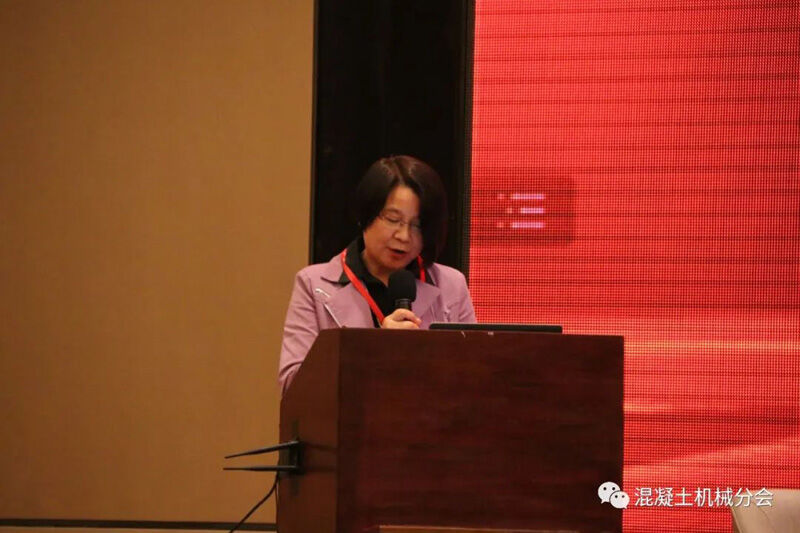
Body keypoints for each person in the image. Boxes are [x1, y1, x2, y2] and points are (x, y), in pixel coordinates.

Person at [277, 155, 476, 395]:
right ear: (366, 215)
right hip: (350, 419)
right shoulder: (313, 285)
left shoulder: (452, 285)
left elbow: (474, 377)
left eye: (417, 225)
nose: (404, 236)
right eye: (393, 219)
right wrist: (376, 351)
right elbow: (293, 386)